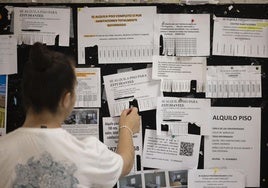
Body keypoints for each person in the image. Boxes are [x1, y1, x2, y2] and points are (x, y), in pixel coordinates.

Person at [0, 42, 140, 188]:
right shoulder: (88, 153)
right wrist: (127, 127)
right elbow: (126, 163)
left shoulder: (2, 150)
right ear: (66, 99)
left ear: (25, 94)